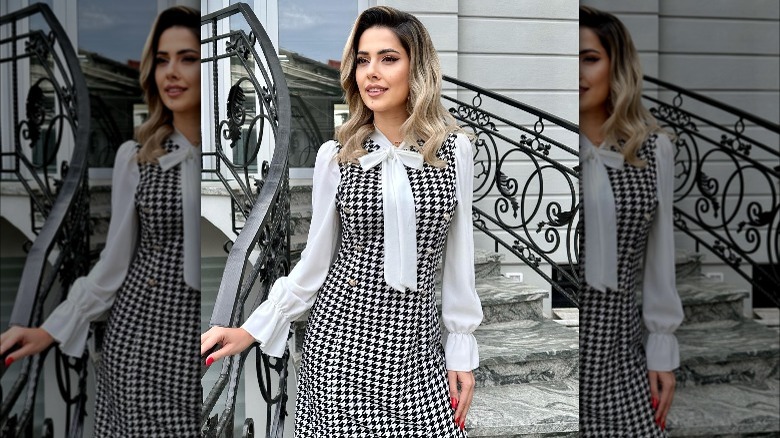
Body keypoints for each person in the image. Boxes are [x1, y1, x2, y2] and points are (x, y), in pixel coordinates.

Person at [201, 6, 483, 436]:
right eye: (363, 60)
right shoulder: (336, 157)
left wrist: (461, 348)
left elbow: (459, 261)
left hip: (419, 348)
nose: (371, 72)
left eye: (388, 58)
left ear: (417, 67)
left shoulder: (453, 151)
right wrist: (253, 328)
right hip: (341, 347)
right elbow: (315, 264)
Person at [0, 6, 201, 436]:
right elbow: (113, 265)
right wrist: (53, 328)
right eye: (163, 60)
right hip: (141, 337)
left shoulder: (223, 162)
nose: (172, 72)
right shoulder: (139, 157)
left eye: (188, 57)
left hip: (197, 336)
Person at [578, 5, 685, 437]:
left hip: (617, 347)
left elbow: (660, 261)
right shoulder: (542, 148)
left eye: (589, 58)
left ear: (615, 66)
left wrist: (662, 350)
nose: (576, 72)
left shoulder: (652, 149)